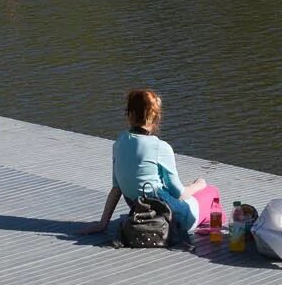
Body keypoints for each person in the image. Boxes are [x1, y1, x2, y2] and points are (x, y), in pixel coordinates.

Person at [84, 88, 210, 238]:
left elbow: (116, 188)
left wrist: (102, 223)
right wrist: (199, 184)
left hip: (141, 212)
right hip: (168, 217)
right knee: (210, 192)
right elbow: (178, 193)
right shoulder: (160, 147)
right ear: (156, 117)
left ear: (129, 115)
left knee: (196, 195)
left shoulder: (119, 143)